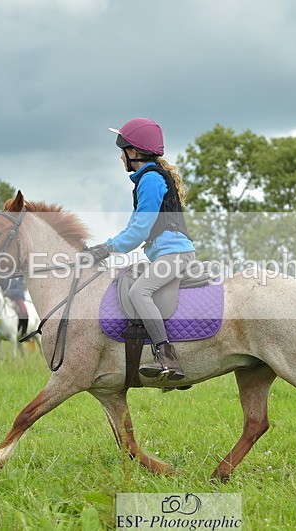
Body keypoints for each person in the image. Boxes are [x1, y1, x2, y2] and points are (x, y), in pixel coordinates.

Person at [86, 117, 195, 381]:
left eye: (122, 151)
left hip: (174, 254)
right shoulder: (150, 177)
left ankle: (166, 356)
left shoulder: (150, 180)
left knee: (140, 291)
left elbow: (139, 230)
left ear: (133, 152)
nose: (120, 158)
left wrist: (106, 248)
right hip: (166, 253)